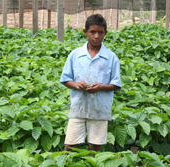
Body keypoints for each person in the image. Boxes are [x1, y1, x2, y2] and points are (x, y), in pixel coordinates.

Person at [60, 14, 121, 152]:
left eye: (100, 32)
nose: (96, 36)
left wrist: (101, 87)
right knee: (70, 145)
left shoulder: (111, 58)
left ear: (105, 33)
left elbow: (116, 84)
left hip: (100, 109)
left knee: (94, 146)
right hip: (78, 108)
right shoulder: (75, 55)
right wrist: (76, 85)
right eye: (92, 32)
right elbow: (65, 79)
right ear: (85, 32)